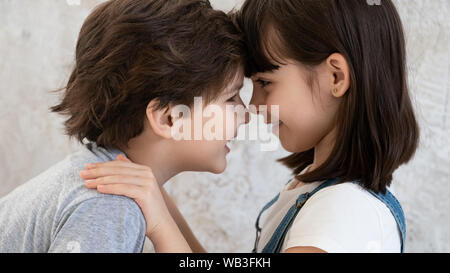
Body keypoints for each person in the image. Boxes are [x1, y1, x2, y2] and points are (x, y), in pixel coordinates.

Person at [84, 0, 419, 253]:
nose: (253, 107)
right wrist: (157, 199)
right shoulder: (316, 194)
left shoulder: (344, 215)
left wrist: (158, 225)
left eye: (265, 82)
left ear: (335, 77)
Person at [0, 0, 248, 253]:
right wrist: (161, 226)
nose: (246, 115)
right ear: (169, 118)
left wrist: (164, 220)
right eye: (231, 98)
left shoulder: (115, 185)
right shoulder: (109, 206)